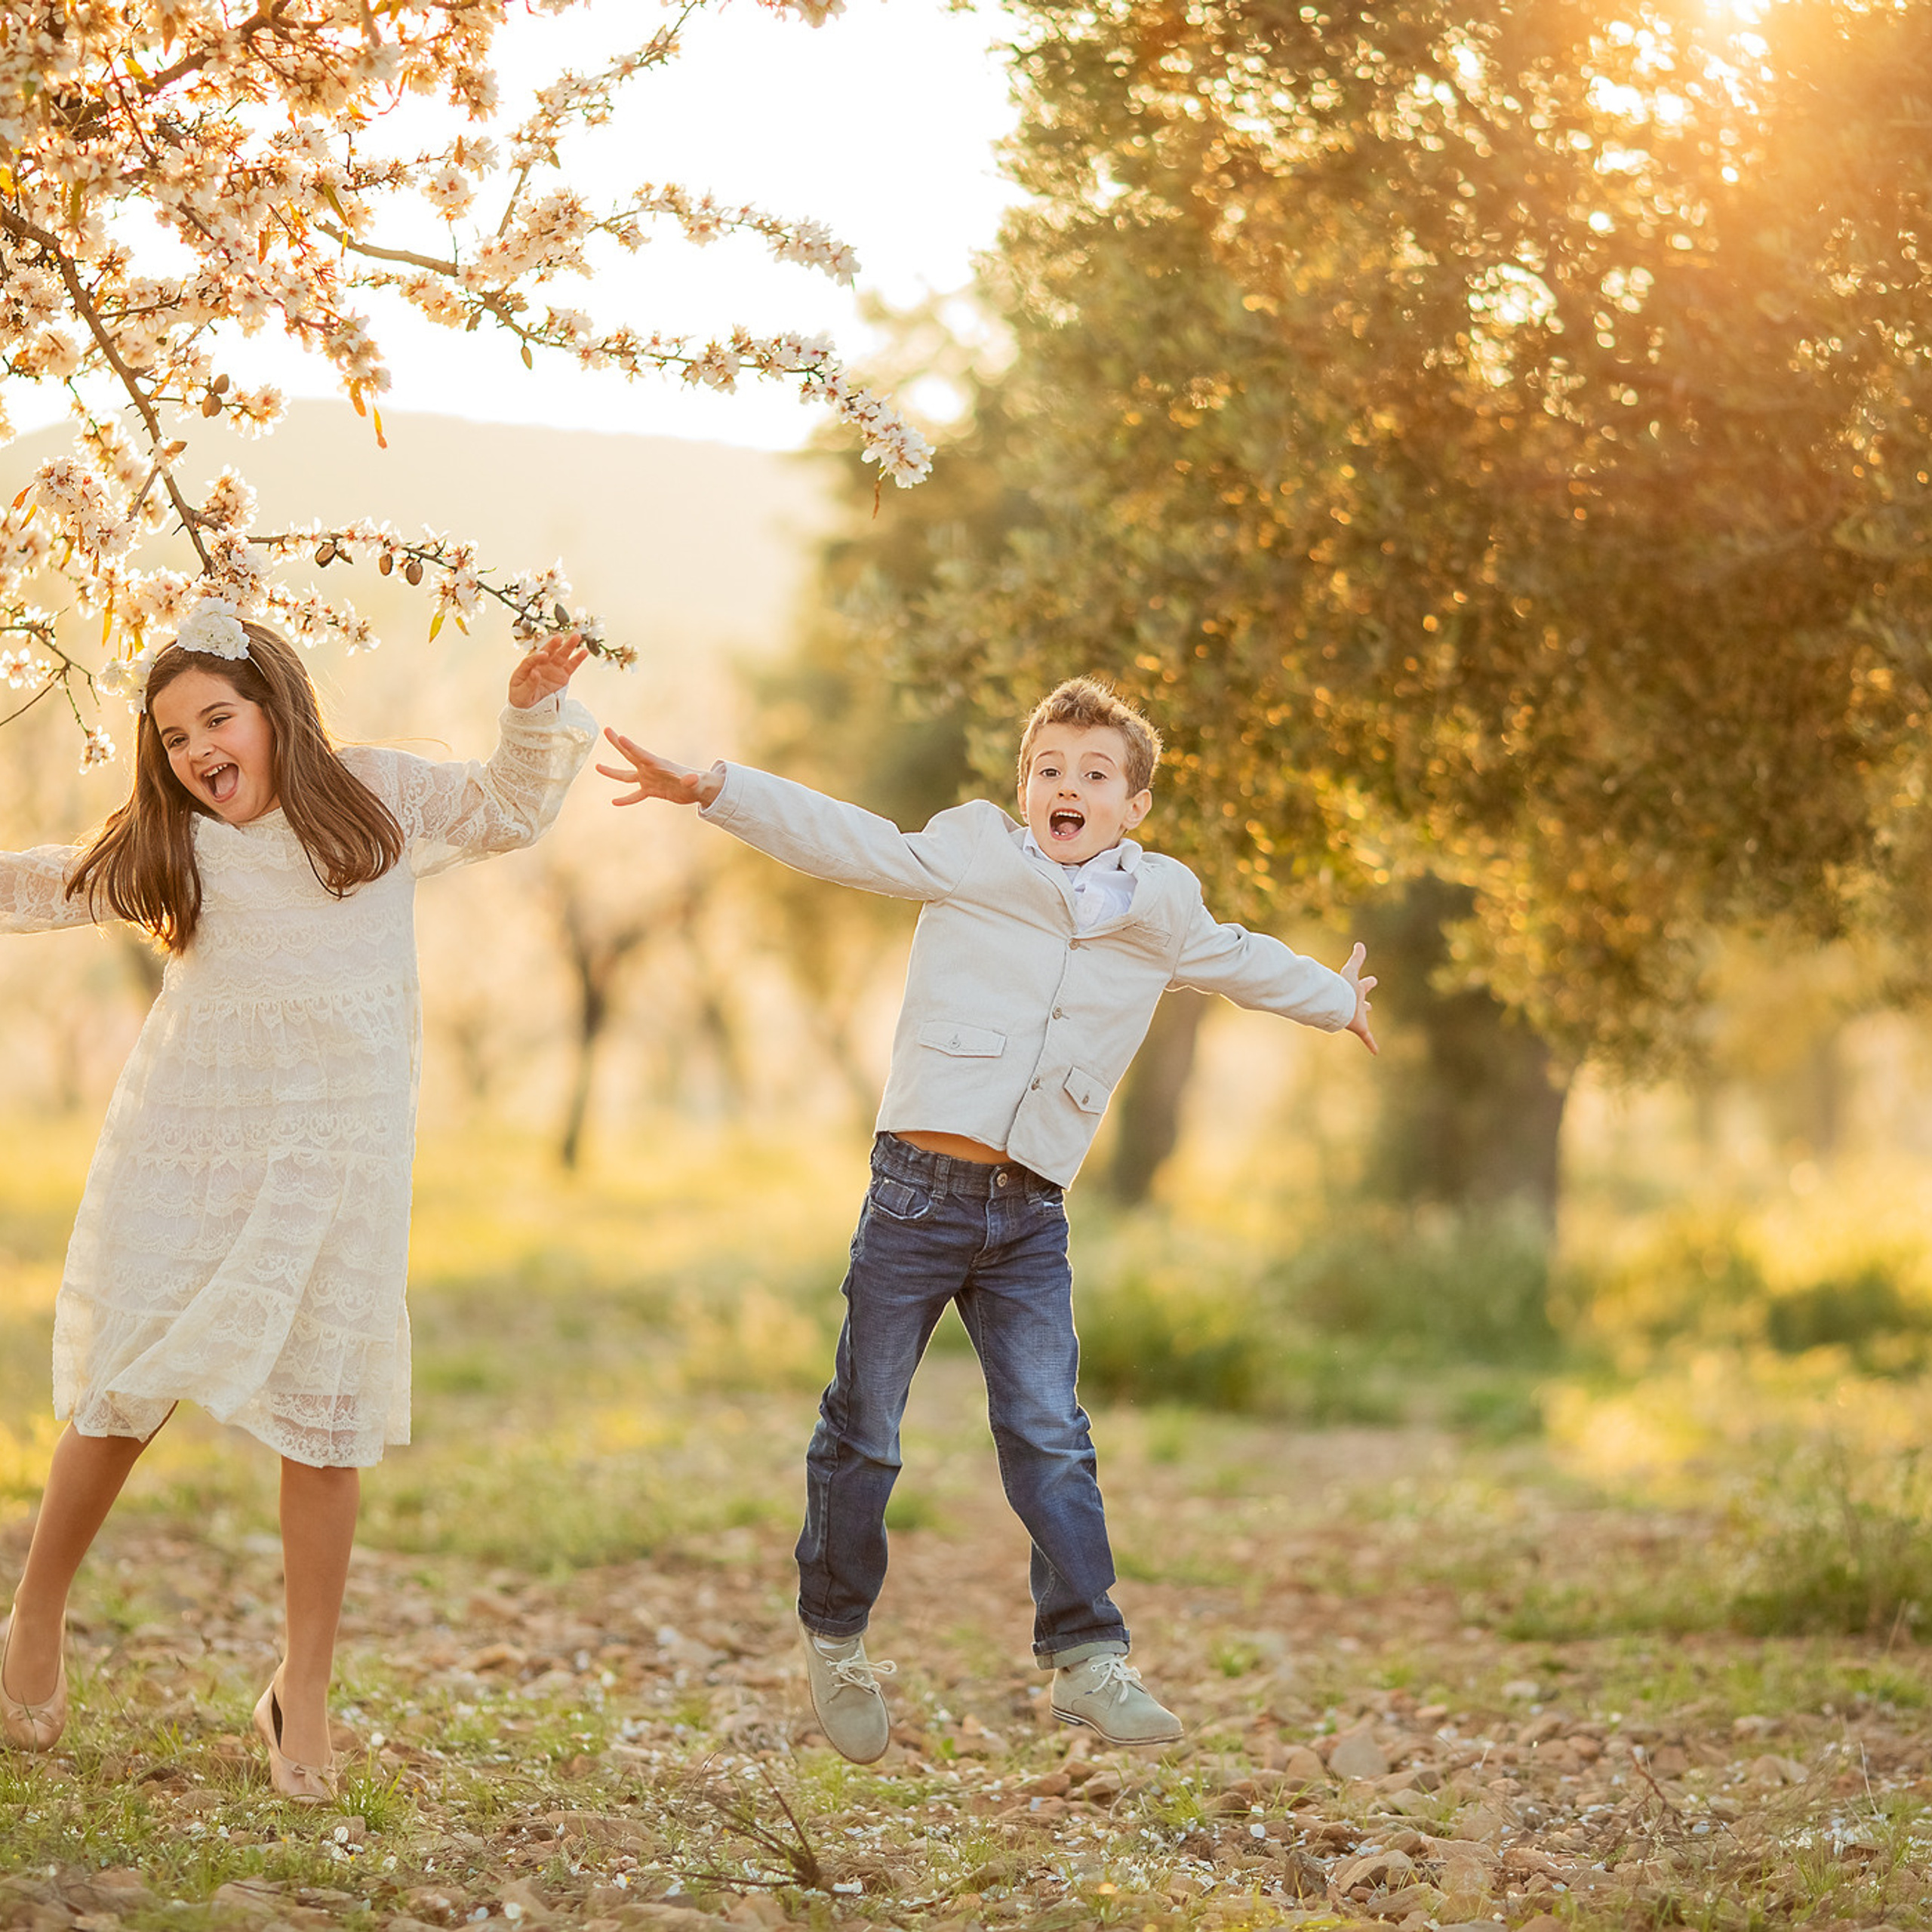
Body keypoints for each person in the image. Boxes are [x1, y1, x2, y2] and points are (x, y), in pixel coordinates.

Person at [597, 675, 1377, 1761]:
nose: (1069, 787)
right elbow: (847, 840)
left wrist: (1337, 1001)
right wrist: (716, 788)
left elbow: (1244, 960)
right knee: (864, 1427)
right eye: (1048, 771)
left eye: (1095, 776)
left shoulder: (1162, 910)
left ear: (1133, 808)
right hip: (918, 1192)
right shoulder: (972, 856)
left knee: (1050, 1434)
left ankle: (1087, 1655)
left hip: (1030, 1215)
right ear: (1023, 792)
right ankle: (835, 1634)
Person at [0, 601, 594, 1797]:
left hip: (339, 1154)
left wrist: (527, 714)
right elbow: (48, 884)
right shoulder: (176, 848)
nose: (196, 750)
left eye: (216, 718)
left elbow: (509, 809)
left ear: (275, 707)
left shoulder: (373, 802)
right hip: (200, 1138)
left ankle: (300, 1687)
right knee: (126, 1384)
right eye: (171, 737)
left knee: (325, 1418)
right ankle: (31, 1622)